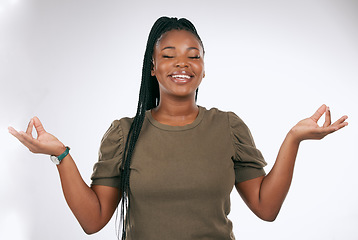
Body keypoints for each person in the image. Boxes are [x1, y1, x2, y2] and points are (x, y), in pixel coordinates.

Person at [8, 17, 348, 240]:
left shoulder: (228, 127)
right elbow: (93, 220)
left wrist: (294, 139)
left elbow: (266, 207)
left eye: (193, 55)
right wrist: (60, 155)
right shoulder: (125, 134)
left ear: (203, 68)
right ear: (153, 67)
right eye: (169, 55)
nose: (182, 63)